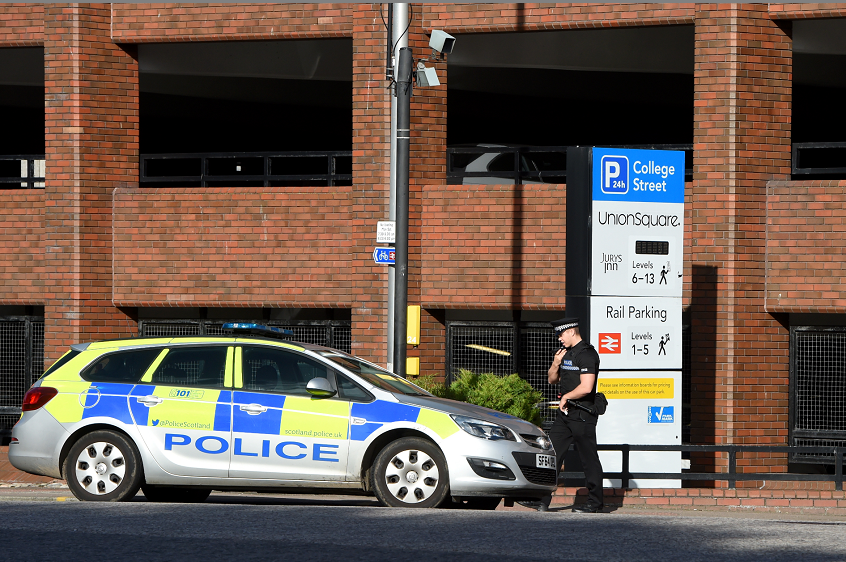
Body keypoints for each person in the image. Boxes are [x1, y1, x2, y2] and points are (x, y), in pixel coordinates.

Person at [531, 317, 605, 512]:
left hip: (582, 414)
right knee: (552, 455)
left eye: (561, 334)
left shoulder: (587, 354)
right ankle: (542, 500)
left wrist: (566, 397)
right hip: (565, 416)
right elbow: (552, 380)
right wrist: (556, 363)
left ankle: (595, 503)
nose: (559, 338)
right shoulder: (565, 354)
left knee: (588, 459)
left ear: (572, 331)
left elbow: (587, 387)